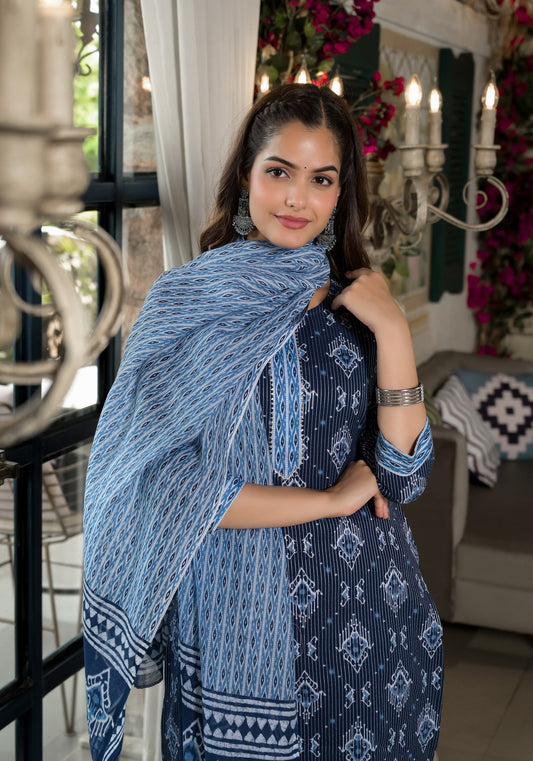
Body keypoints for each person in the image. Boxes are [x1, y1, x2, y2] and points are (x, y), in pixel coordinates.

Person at [83, 83, 443, 761]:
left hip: (371, 615)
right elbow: (161, 489)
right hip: (239, 625)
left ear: (341, 194)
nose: (296, 199)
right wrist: (331, 500)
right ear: (246, 175)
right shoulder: (186, 304)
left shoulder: (357, 305)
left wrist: (394, 329)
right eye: (279, 172)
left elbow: (404, 475)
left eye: (321, 179)